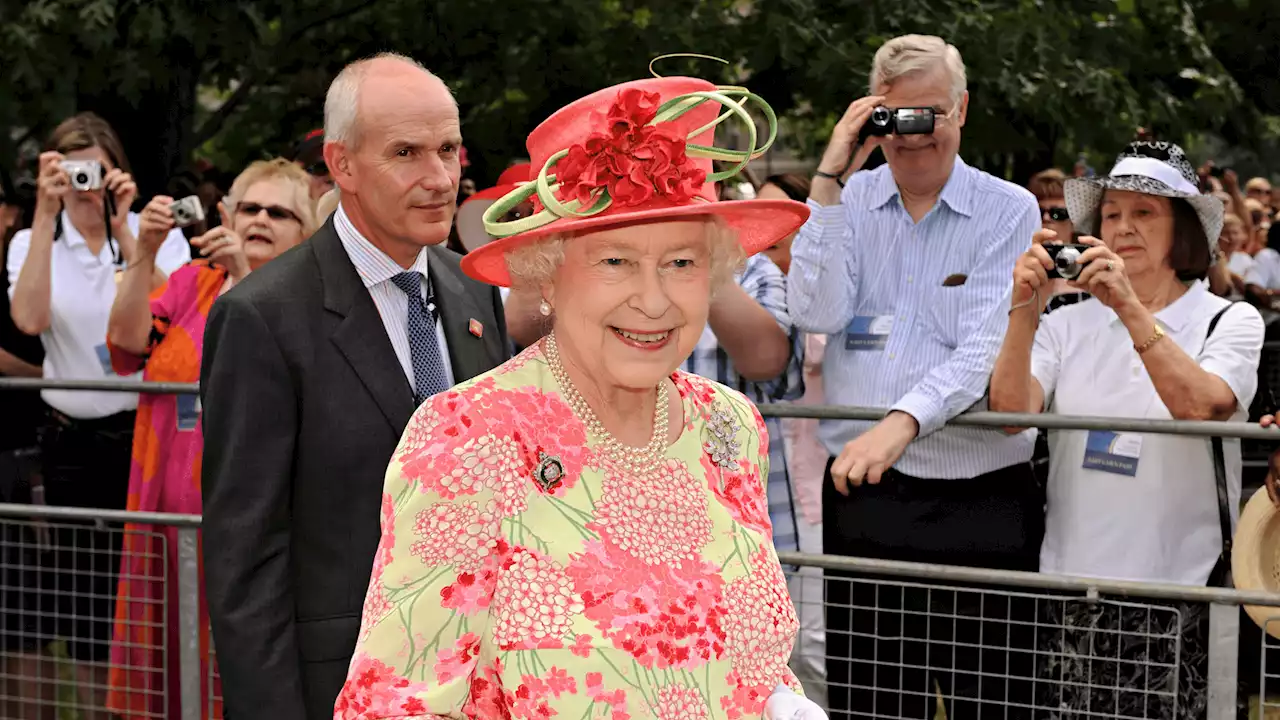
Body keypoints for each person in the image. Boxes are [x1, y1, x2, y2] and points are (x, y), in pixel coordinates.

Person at [334, 73, 824, 720]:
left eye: (681, 262)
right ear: (549, 274)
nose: (653, 300)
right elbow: (395, 706)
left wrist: (778, 700)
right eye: (615, 261)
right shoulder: (468, 437)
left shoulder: (726, 426)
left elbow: (747, 654)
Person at [200, 54, 509, 720]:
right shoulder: (263, 318)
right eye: (406, 152)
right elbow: (244, 563)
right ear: (342, 166)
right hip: (338, 687)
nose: (438, 178)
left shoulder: (476, 292)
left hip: (480, 683)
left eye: (449, 150)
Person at [787, 34, 1042, 718]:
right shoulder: (852, 200)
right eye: (894, 117)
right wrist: (829, 177)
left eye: (929, 113)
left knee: (993, 704)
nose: (913, 135)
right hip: (865, 497)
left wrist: (897, 424)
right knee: (872, 705)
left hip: (980, 499)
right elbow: (814, 309)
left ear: (961, 108)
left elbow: (982, 350)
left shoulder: (1009, 208)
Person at [990, 140, 1263, 718]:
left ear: (1184, 232)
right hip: (1072, 594)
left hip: (1181, 594)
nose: (1123, 227)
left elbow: (1201, 405)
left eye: (1144, 213)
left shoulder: (1228, 318)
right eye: (1111, 214)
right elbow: (1012, 411)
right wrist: (1024, 306)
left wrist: (1129, 308)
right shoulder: (1067, 323)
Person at [102, 158, 317, 720]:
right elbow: (125, 345)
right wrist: (144, 249)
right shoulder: (191, 283)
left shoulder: (308, 296)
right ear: (225, 213)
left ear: (307, 231)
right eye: (249, 208)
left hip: (253, 523)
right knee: (169, 653)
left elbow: (277, 370)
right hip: (167, 516)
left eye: (280, 212)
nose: (260, 219)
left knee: (238, 660)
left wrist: (247, 277)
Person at [6, 113, 191, 717]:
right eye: (73, 170)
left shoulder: (152, 229)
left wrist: (127, 228)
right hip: (71, 443)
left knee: (147, 589)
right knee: (86, 606)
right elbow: (29, 321)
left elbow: (177, 307)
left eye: (97, 170)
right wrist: (42, 210)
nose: (86, 183)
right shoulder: (34, 240)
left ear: (118, 172)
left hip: (146, 436)